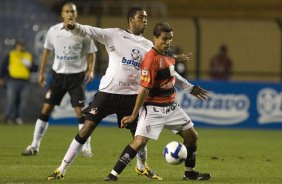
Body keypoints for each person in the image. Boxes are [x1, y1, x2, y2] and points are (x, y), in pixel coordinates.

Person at [47, 7, 165, 181]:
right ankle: (61, 168)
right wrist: (75, 26)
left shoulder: (148, 45)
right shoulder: (114, 34)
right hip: (108, 93)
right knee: (86, 129)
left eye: (147, 18)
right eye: (141, 17)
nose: (145, 21)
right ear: (131, 19)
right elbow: (90, 31)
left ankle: (142, 167)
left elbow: (161, 64)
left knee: (140, 136)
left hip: (132, 97)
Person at [104, 22, 211, 181]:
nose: (167, 42)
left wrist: (189, 88)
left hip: (171, 107)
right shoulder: (150, 60)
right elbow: (144, 90)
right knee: (139, 141)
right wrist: (134, 115)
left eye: (170, 39)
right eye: (164, 39)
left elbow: (172, 74)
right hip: (153, 108)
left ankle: (189, 173)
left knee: (192, 136)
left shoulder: (169, 53)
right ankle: (113, 175)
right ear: (155, 38)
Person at [21, 2, 97, 158]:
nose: (70, 14)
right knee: (46, 109)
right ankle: (34, 145)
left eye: (73, 12)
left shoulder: (83, 32)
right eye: (67, 11)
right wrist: (41, 72)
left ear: (76, 14)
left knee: (80, 113)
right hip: (58, 76)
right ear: (62, 14)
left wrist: (91, 69)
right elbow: (46, 51)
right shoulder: (53, 31)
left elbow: (92, 52)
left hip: (76, 77)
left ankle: (86, 147)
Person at [0, 40, 32, 125]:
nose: (21, 47)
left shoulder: (27, 55)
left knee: (23, 102)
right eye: (19, 45)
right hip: (12, 81)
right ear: (16, 46)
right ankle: (9, 117)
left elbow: (33, 68)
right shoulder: (11, 54)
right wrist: (1, 77)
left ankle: (19, 118)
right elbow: (3, 66)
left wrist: (30, 66)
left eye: (23, 45)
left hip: (24, 82)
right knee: (11, 100)